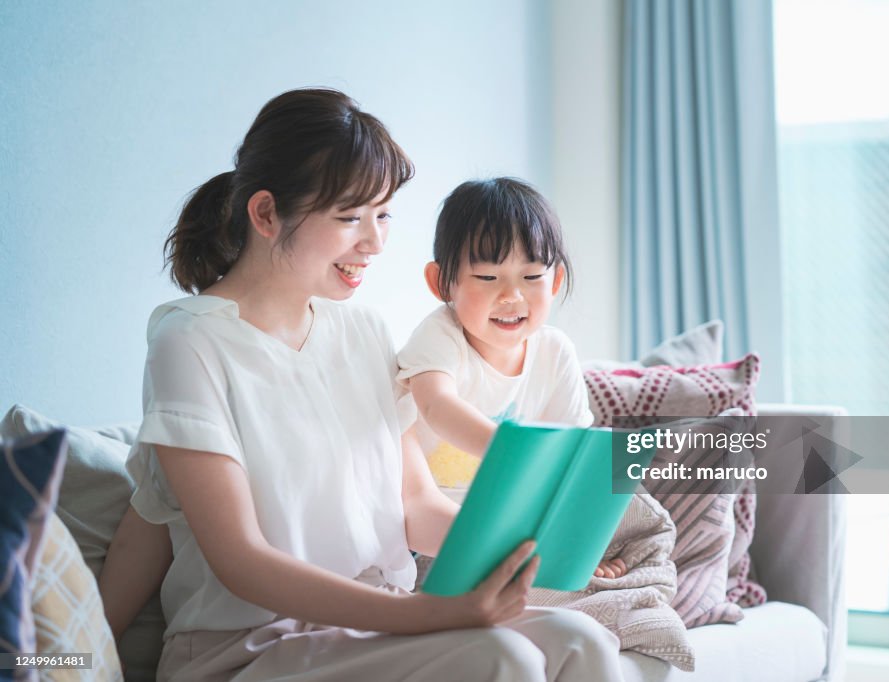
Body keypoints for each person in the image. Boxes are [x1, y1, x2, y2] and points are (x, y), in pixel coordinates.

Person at [99, 88, 624, 681]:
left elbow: (416, 505)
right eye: (350, 217)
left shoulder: (365, 331)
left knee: (584, 641)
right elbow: (240, 560)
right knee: (500, 658)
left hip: (374, 625)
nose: (374, 242)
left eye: (383, 214)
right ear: (267, 214)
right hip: (248, 646)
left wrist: (522, 551)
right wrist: (429, 616)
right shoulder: (190, 341)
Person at [397, 178, 626, 579]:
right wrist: (513, 454)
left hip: (522, 525)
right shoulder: (439, 335)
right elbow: (436, 406)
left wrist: (576, 540)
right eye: (488, 278)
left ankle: (568, 564)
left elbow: (570, 455)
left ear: (554, 282)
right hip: (439, 531)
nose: (512, 296)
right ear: (441, 283)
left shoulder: (555, 351)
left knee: (636, 505)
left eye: (532, 277)